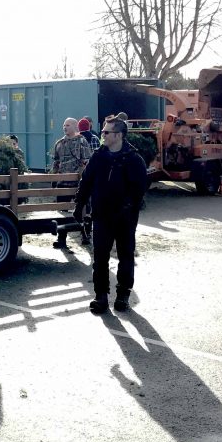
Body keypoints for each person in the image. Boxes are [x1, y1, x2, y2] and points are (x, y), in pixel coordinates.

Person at [74, 116, 148, 314]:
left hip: (125, 218)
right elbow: (86, 181)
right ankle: (101, 297)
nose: (102, 135)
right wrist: (79, 204)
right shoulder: (99, 156)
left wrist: (127, 207)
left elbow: (140, 189)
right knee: (100, 257)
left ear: (119, 135)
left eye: (107, 132)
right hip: (102, 216)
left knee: (125, 256)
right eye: (103, 131)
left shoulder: (134, 159)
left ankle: (123, 294)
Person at [51, 117, 92, 249]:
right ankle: (61, 238)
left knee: (83, 210)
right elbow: (56, 162)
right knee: (62, 212)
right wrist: (53, 177)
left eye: (68, 125)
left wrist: (84, 179)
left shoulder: (82, 142)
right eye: (64, 125)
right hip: (62, 183)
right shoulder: (59, 143)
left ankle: (85, 235)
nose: (64, 127)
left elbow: (86, 161)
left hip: (78, 184)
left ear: (75, 127)